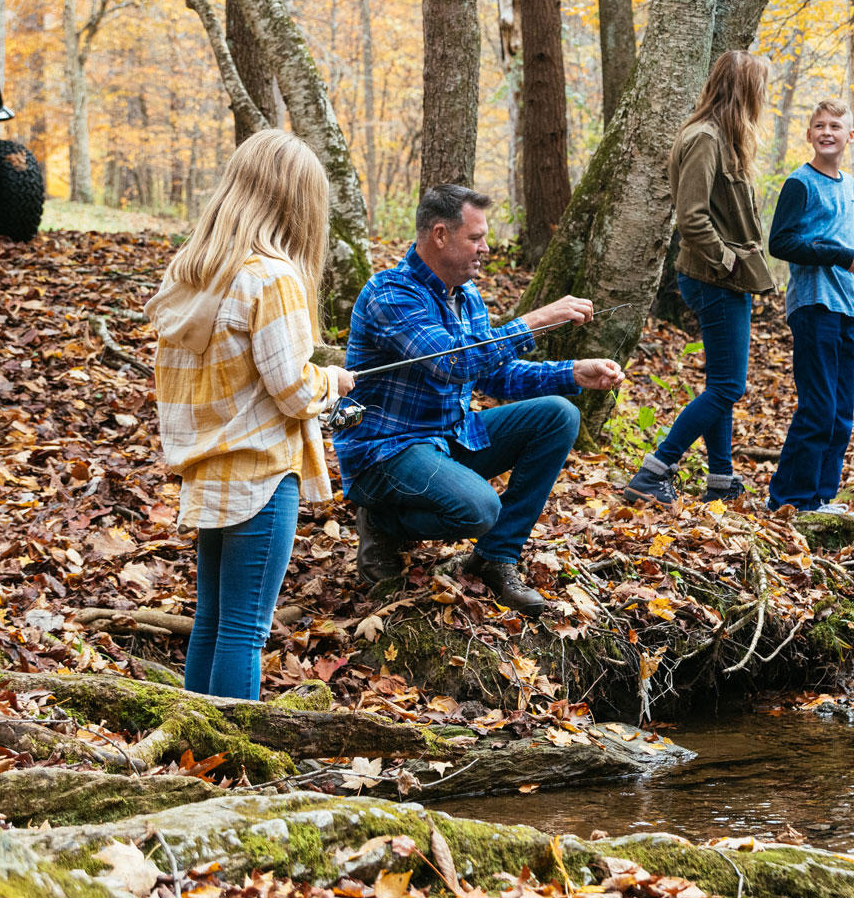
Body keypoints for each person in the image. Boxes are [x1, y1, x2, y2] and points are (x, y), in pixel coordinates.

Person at [335, 184, 624, 615]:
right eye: (476, 238)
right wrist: (535, 321)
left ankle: (495, 557)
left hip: (448, 439)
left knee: (559, 415)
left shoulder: (466, 296)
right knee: (480, 508)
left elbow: (494, 374)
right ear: (440, 235)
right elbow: (452, 363)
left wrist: (571, 372)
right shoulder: (390, 293)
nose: (486, 248)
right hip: (385, 452)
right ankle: (380, 520)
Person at [148, 129, 358, 701]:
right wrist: (334, 382)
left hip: (209, 467)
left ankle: (197, 740)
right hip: (262, 473)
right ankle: (234, 752)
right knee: (245, 630)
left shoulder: (194, 274)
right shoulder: (272, 277)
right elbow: (293, 390)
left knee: (212, 621)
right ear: (297, 203)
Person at [624, 49, 776, 506]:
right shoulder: (706, 138)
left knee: (721, 385)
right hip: (715, 279)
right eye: (760, 87)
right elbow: (691, 218)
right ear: (744, 90)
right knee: (729, 386)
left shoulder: (724, 138)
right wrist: (728, 262)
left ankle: (721, 480)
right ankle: (655, 470)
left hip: (725, 280)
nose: (764, 96)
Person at [766, 99, 854, 513]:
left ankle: (822, 497)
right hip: (813, 304)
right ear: (809, 134)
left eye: (835, 126)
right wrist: (840, 256)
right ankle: (790, 499)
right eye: (819, 126)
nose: (827, 132)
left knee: (842, 411)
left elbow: (843, 243)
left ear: (851, 136)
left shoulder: (849, 186)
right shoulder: (800, 183)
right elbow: (781, 243)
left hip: (846, 306)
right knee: (819, 407)